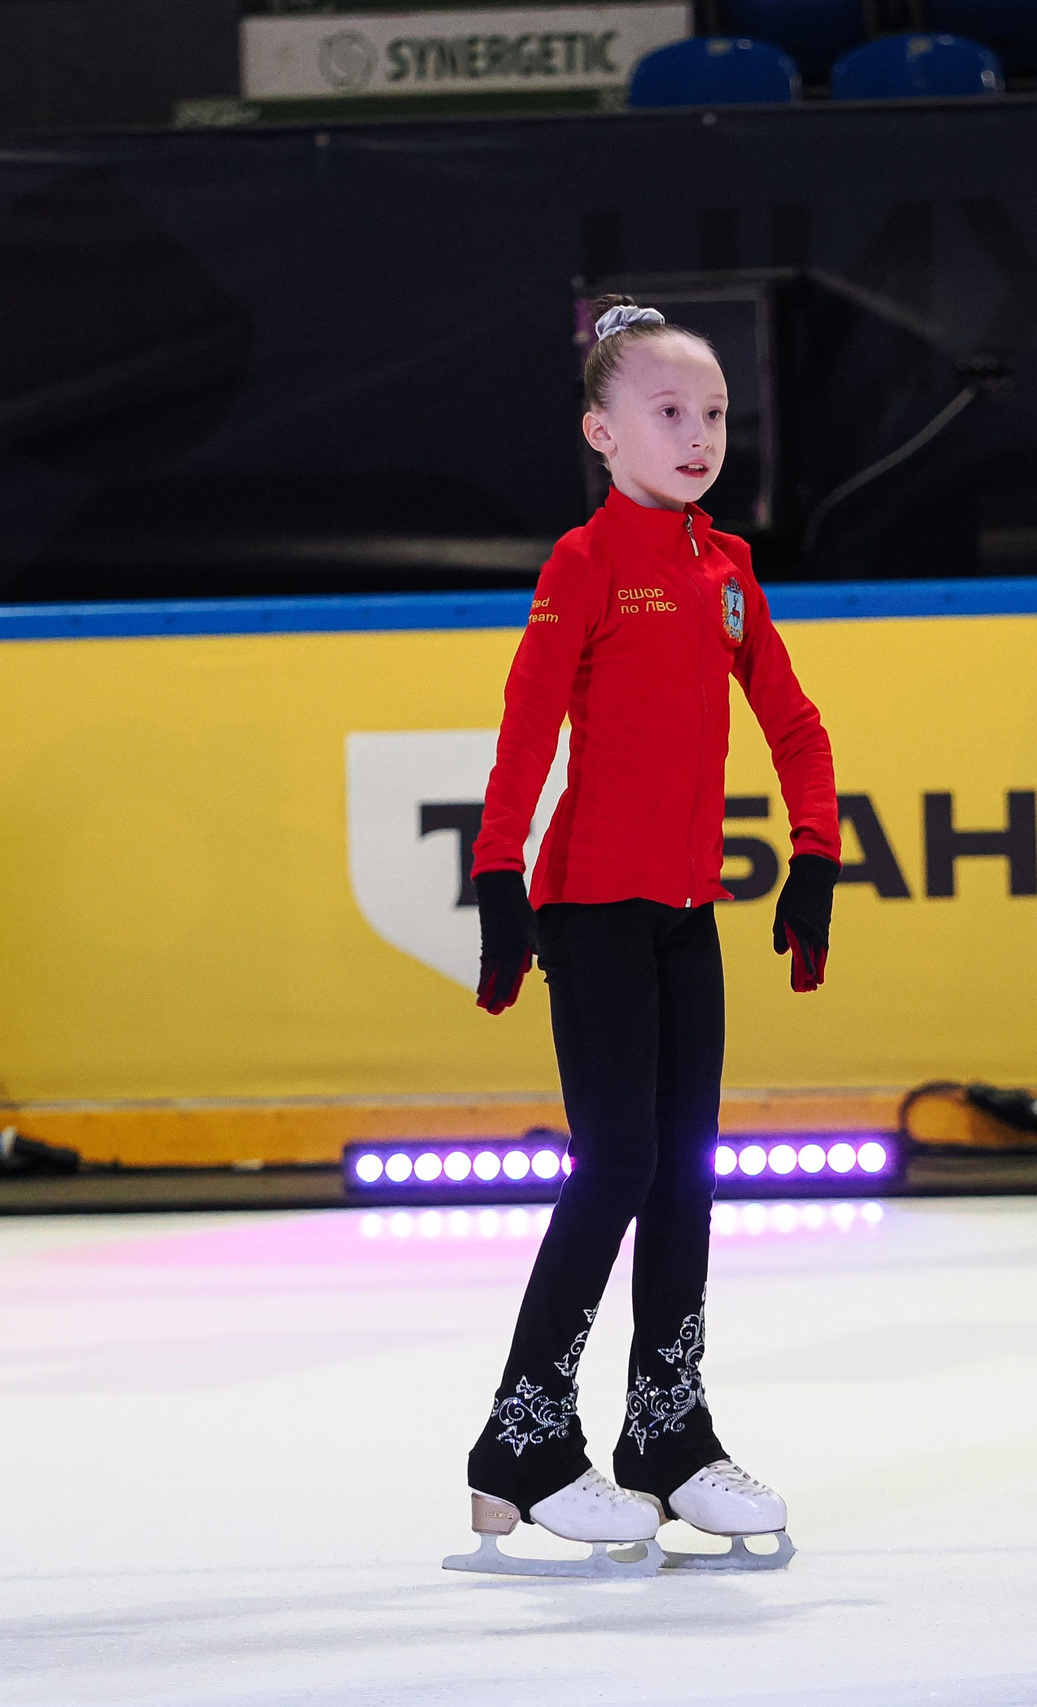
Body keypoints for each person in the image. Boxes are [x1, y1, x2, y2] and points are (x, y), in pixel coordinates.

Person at [445, 297, 842, 1579]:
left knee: (684, 1174)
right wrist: (497, 874)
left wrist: (816, 851)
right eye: (668, 412)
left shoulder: (726, 573)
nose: (698, 433)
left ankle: (668, 1433)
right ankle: (521, 1443)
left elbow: (794, 724)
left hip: (684, 913)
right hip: (591, 907)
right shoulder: (585, 564)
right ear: (601, 432)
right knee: (616, 1164)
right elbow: (526, 728)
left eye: (714, 412)